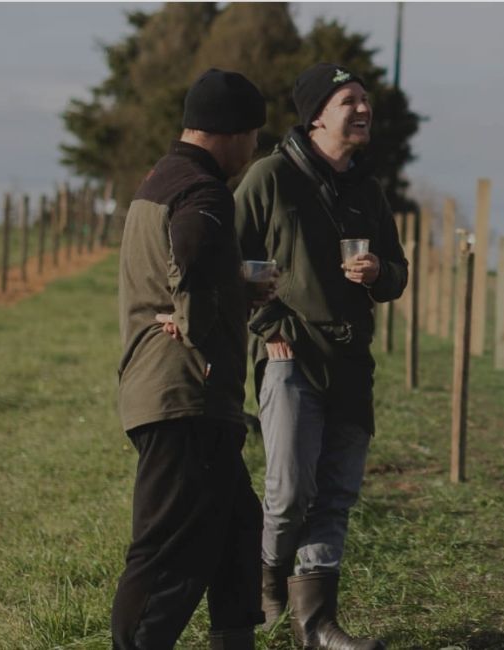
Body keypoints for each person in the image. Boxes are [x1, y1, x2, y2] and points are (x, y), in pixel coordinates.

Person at [234, 62, 408, 650]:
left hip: (352, 360)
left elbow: (397, 273)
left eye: (364, 100)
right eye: (348, 101)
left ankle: (317, 625)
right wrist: (267, 323)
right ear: (315, 116)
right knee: (286, 492)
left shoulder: (369, 189)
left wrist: (380, 270)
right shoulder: (270, 177)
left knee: (335, 493)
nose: (363, 109)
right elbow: (232, 259)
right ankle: (265, 582)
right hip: (290, 354)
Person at [112, 68, 267, 650]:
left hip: (171, 391)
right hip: (185, 394)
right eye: (254, 136)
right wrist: (199, 323)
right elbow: (194, 251)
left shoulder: (162, 176)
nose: (254, 151)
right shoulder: (202, 191)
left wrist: (232, 292)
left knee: (235, 529)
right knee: (167, 554)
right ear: (229, 133)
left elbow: (183, 269)